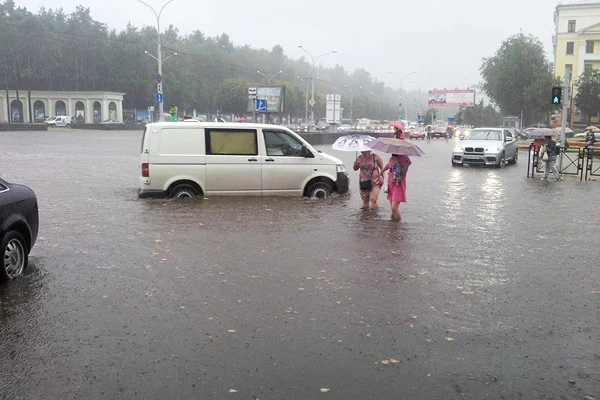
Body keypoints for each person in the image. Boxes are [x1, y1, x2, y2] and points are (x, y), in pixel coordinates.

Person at [381, 153, 412, 221]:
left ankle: (398, 226)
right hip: (391, 182)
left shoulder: (405, 158)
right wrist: (381, 172)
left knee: (394, 208)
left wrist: (397, 164)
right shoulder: (393, 156)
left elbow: (404, 172)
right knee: (392, 209)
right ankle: (392, 226)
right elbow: (389, 165)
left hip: (399, 184)